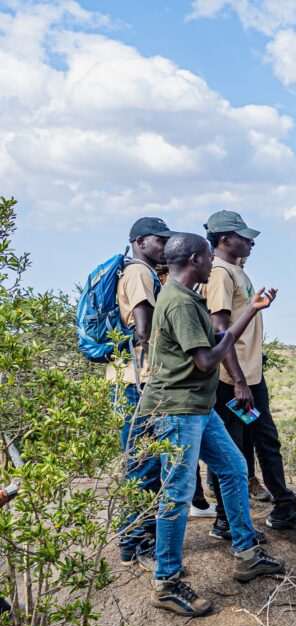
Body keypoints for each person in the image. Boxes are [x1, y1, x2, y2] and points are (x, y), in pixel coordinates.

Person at [139, 232, 285, 617]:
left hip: (198, 408)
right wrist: (249, 314)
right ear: (193, 260)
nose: (211, 262)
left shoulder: (186, 297)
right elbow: (207, 360)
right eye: (206, 256)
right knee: (177, 492)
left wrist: (249, 311)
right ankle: (166, 582)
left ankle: (246, 553)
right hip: (177, 409)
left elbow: (214, 345)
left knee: (235, 468)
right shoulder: (180, 301)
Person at [202, 210, 296, 537]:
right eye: (243, 236)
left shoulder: (233, 271)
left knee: (266, 443)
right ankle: (226, 522)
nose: (251, 241)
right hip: (231, 382)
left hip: (249, 379)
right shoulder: (218, 274)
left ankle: (284, 508)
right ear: (225, 239)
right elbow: (219, 331)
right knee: (236, 452)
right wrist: (239, 380)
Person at [106, 217, 175, 565]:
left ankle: (138, 537)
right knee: (143, 464)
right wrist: (153, 376)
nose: (164, 245)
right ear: (140, 241)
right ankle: (135, 542)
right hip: (138, 380)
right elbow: (143, 327)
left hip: (132, 379)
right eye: (158, 240)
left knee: (143, 462)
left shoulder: (141, 272)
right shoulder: (138, 273)